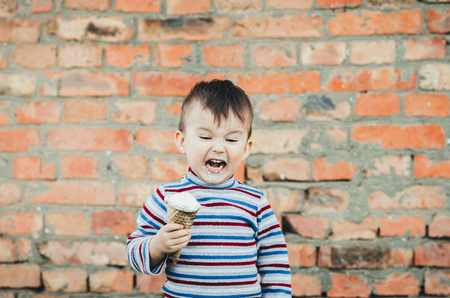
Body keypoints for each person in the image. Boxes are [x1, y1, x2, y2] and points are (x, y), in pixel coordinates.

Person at [126, 79, 291, 297]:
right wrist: (157, 246)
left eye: (231, 139)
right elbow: (133, 252)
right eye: (205, 136)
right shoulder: (166, 198)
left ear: (245, 148)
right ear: (182, 141)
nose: (219, 147)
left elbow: (275, 264)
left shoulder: (255, 202)